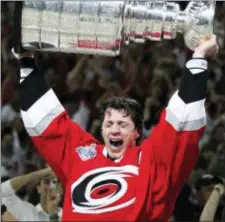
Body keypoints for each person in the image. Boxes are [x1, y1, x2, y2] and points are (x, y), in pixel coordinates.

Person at [17, 35, 219, 221]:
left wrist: (199, 56)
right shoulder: (82, 155)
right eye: (109, 123)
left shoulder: (150, 160)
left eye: (122, 124)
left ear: (136, 133)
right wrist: (26, 62)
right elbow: (49, 125)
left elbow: (180, 125)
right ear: (102, 130)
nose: (114, 129)